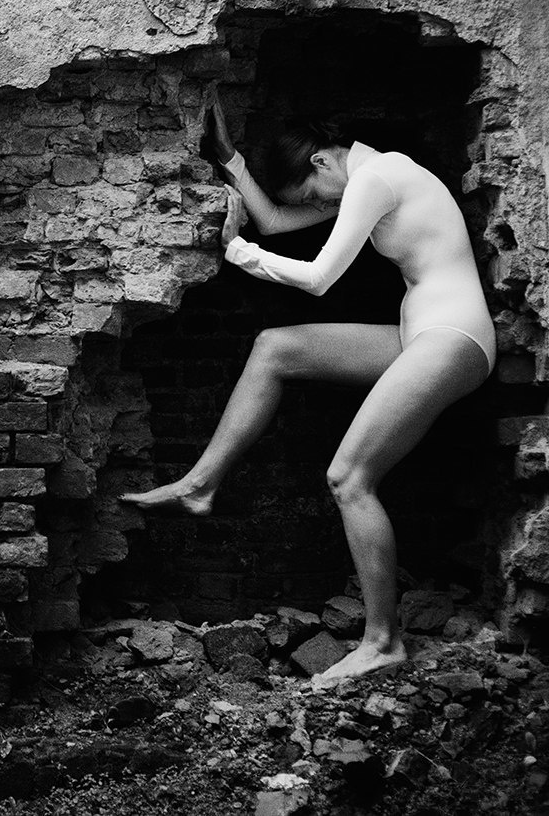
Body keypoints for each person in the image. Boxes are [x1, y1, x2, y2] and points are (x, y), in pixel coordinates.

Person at [120, 93, 495, 689]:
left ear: (322, 161)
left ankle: (383, 642)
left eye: (316, 195)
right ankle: (200, 485)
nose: (320, 206)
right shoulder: (365, 177)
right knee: (276, 348)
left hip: (454, 337)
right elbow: (277, 221)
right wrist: (230, 161)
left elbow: (318, 278)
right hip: (419, 334)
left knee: (349, 477)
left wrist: (237, 251)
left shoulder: (378, 177)